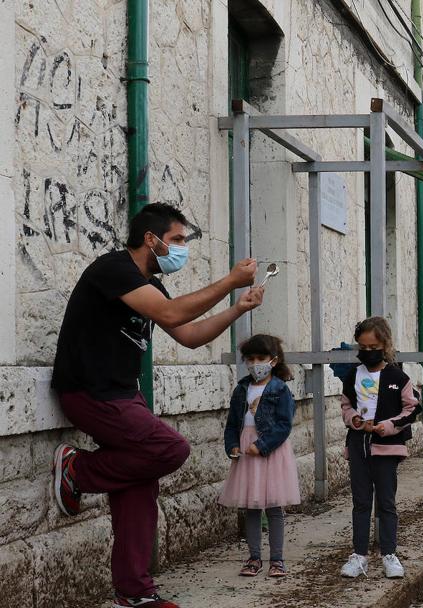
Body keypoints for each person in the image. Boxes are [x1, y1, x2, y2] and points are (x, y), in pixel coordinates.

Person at [51, 203, 264, 608]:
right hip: (90, 392)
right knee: (168, 448)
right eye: (178, 240)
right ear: (151, 239)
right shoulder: (112, 269)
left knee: (139, 483)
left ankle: (134, 593)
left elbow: (189, 335)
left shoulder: (150, 283)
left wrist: (239, 307)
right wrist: (230, 281)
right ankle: (77, 469)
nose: (183, 248)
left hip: (122, 394)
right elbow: (170, 312)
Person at [339, 317, 421, 579]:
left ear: (384, 345)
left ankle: (389, 554)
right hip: (359, 445)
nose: (368, 351)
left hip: (386, 449)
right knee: (360, 502)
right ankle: (359, 555)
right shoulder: (353, 374)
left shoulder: (398, 377)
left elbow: (412, 409)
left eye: (373, 346)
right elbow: (346, 405)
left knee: (386, 502)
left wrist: (388, 426)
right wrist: (354, 420)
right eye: (362, 347)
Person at [218, 334, 300, 578]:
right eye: (250, 359)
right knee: (251, 507)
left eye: (261, 358)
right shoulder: (242, 389)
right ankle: (254, 557)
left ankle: (277, 559)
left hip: (271, 452)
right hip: (246, 452)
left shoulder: (280, 389)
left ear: (273, 360)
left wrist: (263, 445)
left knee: (274, 507)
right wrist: (232, 445)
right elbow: (232, 423)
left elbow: (284, 424)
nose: (256, 363)